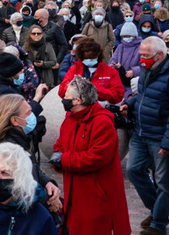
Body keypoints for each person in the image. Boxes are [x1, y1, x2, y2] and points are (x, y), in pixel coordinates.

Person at [122, 36, 169, 235]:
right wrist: (130, 104)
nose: (141, 59)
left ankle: (158, 224)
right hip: (141, 131)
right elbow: (144, 96)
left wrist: (168, 142)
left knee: (162, 181)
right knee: (134, 170)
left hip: (160, 136)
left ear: (160, 55)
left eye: (146, 56)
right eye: (140, 55)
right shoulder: (147, 69)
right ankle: (157, 209)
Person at [50, 76, 130, 235]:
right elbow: (60, 144)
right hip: (75, 190)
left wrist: (64, 160)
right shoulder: (71, 118)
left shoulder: (102, 122)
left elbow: (96, 157)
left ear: (78, 100)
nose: (63, 100)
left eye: (66, 97)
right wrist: (57, 158)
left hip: (96, 194)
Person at [0, 50, 47, 125]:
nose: (22, 72)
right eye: (19, 71)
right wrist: (36, 98)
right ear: (11, 73)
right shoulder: (3, 92)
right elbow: (20, 118)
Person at [58, 38, 125, 105]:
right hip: (78, 109)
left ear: (98, 56)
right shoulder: (74, 69)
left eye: (93, 57)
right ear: (81, 57)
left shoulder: (110, 72)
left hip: (101, 109)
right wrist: (77, 88)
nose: (90, 60)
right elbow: (61, 92)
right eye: (87, 58)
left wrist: (96, 89)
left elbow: (118, 96)